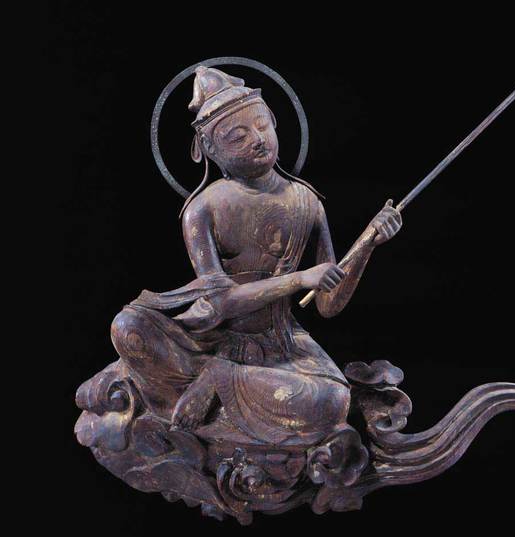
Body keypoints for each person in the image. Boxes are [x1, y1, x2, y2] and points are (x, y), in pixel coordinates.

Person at [109, 66, 402, 447]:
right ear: (210, 149)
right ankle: (214, 384)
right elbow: (221, 302)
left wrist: (367, 245)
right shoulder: (204, 208)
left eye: (262, 126)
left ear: (275, 123)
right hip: (213, 340)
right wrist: (299, 278)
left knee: (333, 402)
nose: (257, 139)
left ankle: (220, 383)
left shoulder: (306, 202)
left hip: (282, 345)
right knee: (127, 327)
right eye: (238, 136)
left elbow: (327, 304)